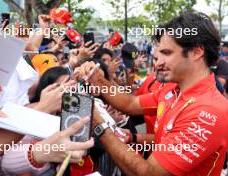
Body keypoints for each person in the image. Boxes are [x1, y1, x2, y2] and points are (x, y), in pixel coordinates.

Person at [79, 12, 228, 175]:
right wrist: (98, 79)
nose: (158, 62)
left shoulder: (207, 112)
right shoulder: (172, 89)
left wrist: (99, 125)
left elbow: (148, 173)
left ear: (196, 52)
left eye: (167, 53)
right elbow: (130, 103)